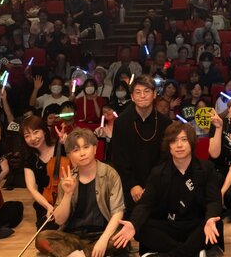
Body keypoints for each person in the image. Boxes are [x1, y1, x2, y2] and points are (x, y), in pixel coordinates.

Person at [114, 122, 224, 257]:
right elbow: (145, 204)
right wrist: (134, 224)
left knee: (216, 224)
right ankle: (191, 252)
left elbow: (214, 201)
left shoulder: (206, 168)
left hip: (196, 224)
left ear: (192, 143)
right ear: (168, 146)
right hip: (169, 225)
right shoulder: (158, 173)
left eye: (184, 140)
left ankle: (170, 254)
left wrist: (210, 218)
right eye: (174, 141)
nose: (179, 145)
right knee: (140, 227)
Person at [34, 128, 127, 257]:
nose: (82, 153)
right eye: (76, 150)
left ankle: (77, 255)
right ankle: (87, 254)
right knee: (42, 238)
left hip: (101, 233)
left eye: (86, 147)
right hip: (73, 236)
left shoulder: (110, 174)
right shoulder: (67, 179)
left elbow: (118, 212)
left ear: (95, 149)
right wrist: (67, 194)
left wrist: (103, 240)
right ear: (70, 155)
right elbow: (59, 220)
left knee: (120, 237)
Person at [110, 77, 171, 212]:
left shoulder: (165, 123)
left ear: (154, 94)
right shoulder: (121, 122)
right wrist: (132, 185)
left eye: (147, 91)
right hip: (130, 187)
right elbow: (119, 158)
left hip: (158, 185)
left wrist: (152, 185)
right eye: (137, 92)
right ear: (132, 97)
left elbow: (166, 158)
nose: (142, 96)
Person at [19, 115, 61, 227]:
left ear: (44, 131)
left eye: (36, 132)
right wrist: (48, 206)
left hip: (67, 198)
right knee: (46, 230)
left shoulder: (61, 147)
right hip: (46, 201)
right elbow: (32, 189)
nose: (33, 138)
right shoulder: (29, 159)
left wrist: (68, 144)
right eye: (27, 136)